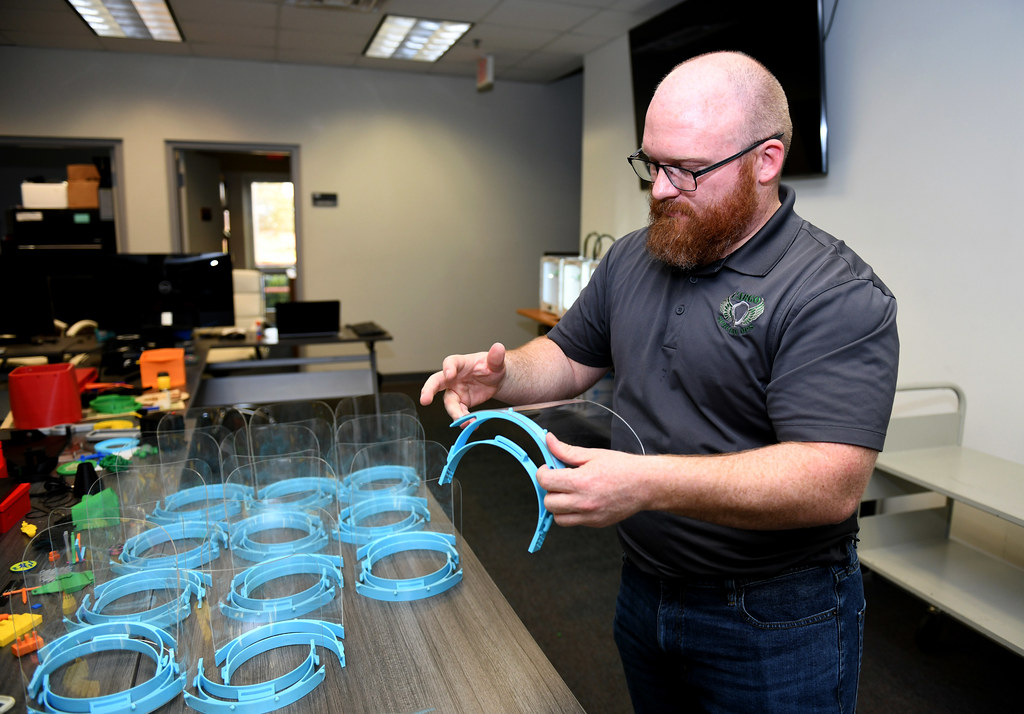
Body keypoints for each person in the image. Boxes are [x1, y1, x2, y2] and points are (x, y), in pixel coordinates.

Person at [421, 50, 898, 713]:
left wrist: (644, 483)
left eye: (687, 169)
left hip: (775, 615)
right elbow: (565, 357)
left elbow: (829, 483)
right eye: (652, 163)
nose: (660, 189)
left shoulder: (833, 292)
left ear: (765, 162)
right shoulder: (635, 257)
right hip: (647, 589)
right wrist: (502, 376)